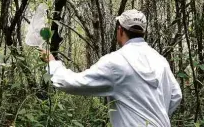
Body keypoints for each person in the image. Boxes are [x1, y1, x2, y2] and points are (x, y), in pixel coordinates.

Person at [41, 9, 182, 126]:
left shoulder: (116, 62)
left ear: (120, 30)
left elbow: (73, 83)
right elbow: (176, 95)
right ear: (142, 32)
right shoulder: (160, 61)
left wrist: (52, 64)